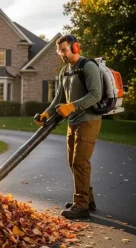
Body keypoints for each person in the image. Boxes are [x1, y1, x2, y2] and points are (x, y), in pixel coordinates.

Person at [35, 34, 102, 219]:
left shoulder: (88, 67)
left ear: (75, 48)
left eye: (64, 50)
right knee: (74, 162)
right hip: (73, 122)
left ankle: (81, 206)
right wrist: (46, 113)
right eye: (59, 51)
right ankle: (87, 199)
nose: (62, 54)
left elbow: (96, 94)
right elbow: (59, 98)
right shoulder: (65, 71)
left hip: (88, 120)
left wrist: (72, 106)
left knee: (80, 162)